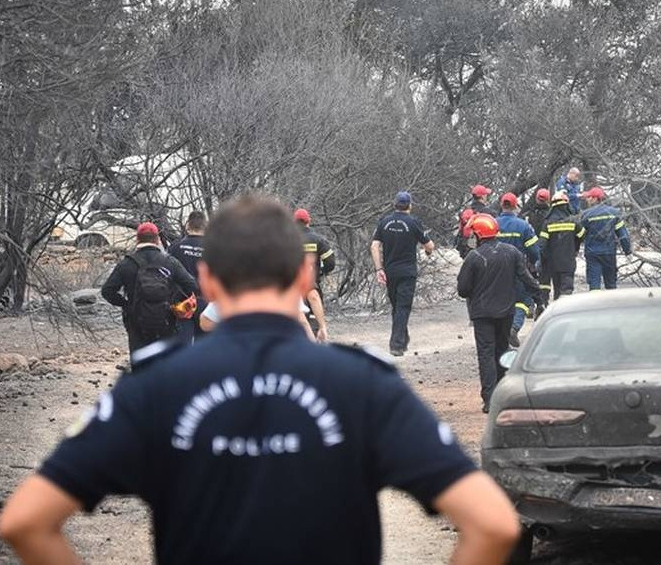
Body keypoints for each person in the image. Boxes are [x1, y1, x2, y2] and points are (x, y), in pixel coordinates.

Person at [0, 196, 520, 565]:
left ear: (206, 281)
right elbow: (493, 524)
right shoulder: (363, 385)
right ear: (301, 277)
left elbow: (26, 522)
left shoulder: (153, 387)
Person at [457, 214, 540, 413]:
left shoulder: (474, 257)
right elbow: (526, 278)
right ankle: (504, 396)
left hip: (482, 314)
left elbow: (463, 290)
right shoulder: (512, 252)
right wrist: (539, 297)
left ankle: (489, 399)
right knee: (502, 351)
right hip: (506, 312)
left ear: (478, 235)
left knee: (485, 354)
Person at [101, 222, 198, 356]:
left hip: (136, 322)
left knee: (140, 365)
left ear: (137, 239)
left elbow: (107, 291)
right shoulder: (170, 262)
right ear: (157, 239)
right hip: (166, 320)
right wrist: (176, 302)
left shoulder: (127, 263)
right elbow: (192, 286)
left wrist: (127, 304)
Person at [371, 191, 435, 357]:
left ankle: (402, 338)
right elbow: (429, 245)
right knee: (403, 307)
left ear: (395, 204)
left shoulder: (384, 221)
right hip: (407, 271)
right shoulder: (413, 222)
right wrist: (427, 250)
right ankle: (396, 345)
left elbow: (374, 246)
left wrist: (379, 269)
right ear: (410, 205)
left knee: (397, 306)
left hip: (390, 271)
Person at [496, 192, 540, 348]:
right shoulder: (523, 226)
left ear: (502, 205)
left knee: (501, 302)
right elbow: (534, 251)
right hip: (518, 269)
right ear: (515, 206)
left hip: (496, 271)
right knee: (523, 300)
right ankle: (514, 328)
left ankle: (501, 334)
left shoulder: (493, 224)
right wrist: (533, 265)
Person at [294, 208, 335, 341]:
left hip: (291, 284)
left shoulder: (286, 239)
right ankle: (319, 334)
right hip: (312, 282)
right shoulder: (318, 240)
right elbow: (330, 262)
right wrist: (322, 272)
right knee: (314, 308)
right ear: (308, 221)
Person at [580, 186, 632, 290]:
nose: (588, 199)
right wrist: (628, 251)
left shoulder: (586, 215)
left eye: (589, 197)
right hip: (609, 253)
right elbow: (623, 235)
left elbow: (580, 235)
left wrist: (575, 248)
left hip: (592, 253)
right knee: (611, 284)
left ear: (595, 198)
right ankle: (612, 305)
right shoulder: (614, 213)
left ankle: (595, 305)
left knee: (594, 285)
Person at [168, 211, 208, 344]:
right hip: (205, 302)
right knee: (204, 346)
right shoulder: (214, 249)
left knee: (181, 345)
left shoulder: (175, 248)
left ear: (188, 226)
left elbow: (168, 275)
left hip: (182, 302)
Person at [539, 191, 586, 301]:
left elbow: (542, 244)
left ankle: (557, 313)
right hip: (568, 261)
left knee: (557, 289)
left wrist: (542, 259)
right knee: (567, 290)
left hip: (553, 263)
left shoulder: (548, 223)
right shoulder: (573, 222)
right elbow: (583, 235)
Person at [525, 188, 552, 316]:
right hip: (547, 251)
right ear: (548, 199)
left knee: (530, 278)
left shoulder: (529, 214)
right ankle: (543, 304)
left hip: (531, 250)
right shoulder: (551, 215)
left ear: (536, 198)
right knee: (545, 280)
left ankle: (529, 304)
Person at [455, 185, 492, 258]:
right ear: (483, 196)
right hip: (484, 252)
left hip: (467, 252)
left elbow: (460, 232)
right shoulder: (489, 213)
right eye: (486, 195)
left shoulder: (465, 212)